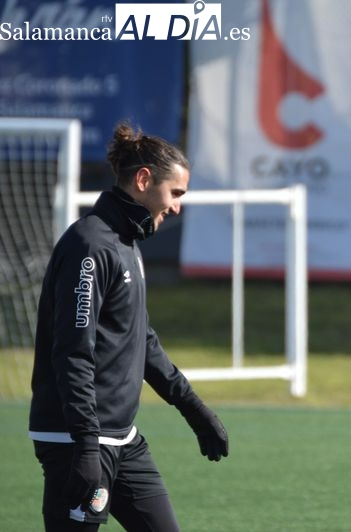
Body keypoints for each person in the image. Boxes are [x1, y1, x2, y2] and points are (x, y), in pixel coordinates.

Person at [29, 123, 229, 531]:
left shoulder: (126, 244)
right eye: (176, 193)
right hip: (77, 440)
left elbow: (141, 341)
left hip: (121, 438)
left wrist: (193, 409)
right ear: (143, 180)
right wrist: (86, 444)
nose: (177, 207)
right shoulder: (91, 246)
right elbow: (73, 353)